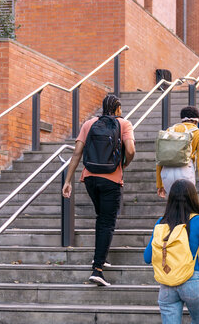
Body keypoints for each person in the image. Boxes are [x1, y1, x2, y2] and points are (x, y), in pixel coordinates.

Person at [62, 94, 136, 286]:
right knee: (107, 221)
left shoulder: (89, 124)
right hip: (111, 179)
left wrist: (68, 180)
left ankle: (100, 256)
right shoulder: (124, 124)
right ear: (118, 108)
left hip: (90, 178)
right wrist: (124, 165)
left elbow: (77, 152)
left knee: (101, 217)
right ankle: (98, 270)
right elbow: (131, 150)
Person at [144, 179, 199, 324]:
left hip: (167, 283)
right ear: (193, 198)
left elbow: (147, 257)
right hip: (193, 280)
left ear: (170, 199)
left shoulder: (161, 222)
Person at [156, 106, 199, 205]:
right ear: (196, 121)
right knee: (186, 207)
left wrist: (159, 184)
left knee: (172, 207)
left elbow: (160, 157)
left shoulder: (169, 131)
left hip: (167, 173)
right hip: (185, 171)